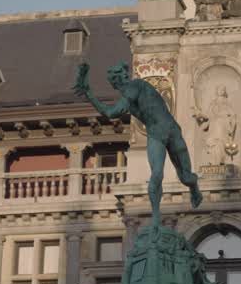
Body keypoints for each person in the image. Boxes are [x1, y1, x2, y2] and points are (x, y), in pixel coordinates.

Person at [75, 62, 203, 225]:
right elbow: (109, 113)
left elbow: (112, 112)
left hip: (171, 130)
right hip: (155, 134)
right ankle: (156, 217)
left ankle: (194, 188)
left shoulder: (135, 86)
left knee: (186, 177)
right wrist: (89, 94)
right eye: (116, 80)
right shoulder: (129, 97)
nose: (120, 81)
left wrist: (89, 94)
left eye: (119, 77)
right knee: (156, 175)